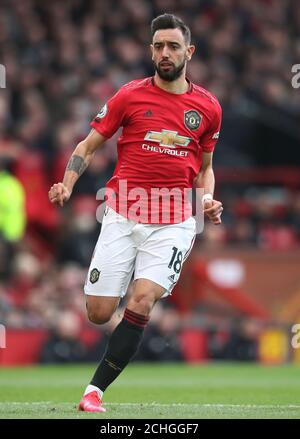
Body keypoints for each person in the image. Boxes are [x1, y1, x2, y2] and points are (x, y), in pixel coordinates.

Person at [48, 13, 223, 412]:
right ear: (150, 50)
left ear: (189, 52)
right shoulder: (129, 95)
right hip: (124, 213)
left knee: (142, 300)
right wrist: (68, 183)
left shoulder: (208, 108)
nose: (165, 53)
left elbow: (206, 167)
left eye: (173, 46)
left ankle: (94, 391)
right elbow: (87, 146)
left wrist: (207, 200)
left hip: (177, 220)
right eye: (159, 46)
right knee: (98, 312)